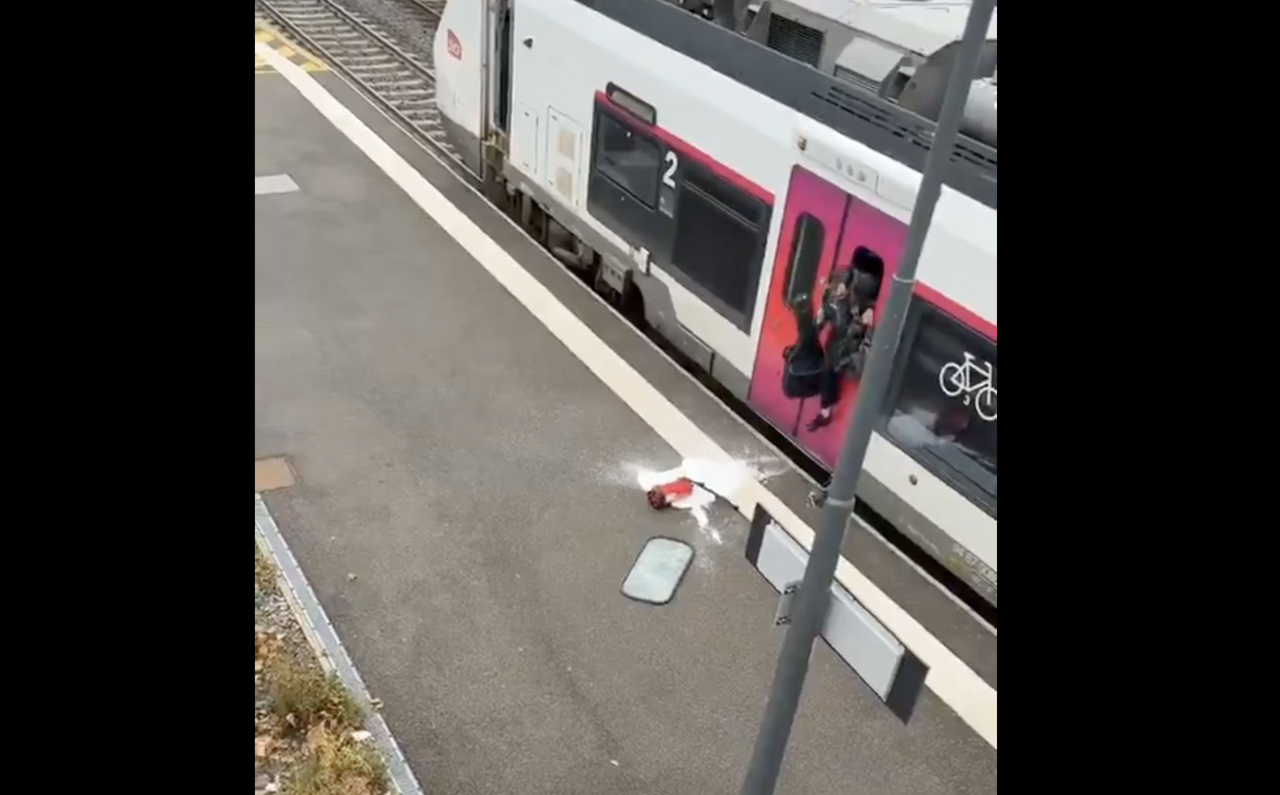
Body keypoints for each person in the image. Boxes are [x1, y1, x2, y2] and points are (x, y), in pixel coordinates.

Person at [806, 247, 883, 431]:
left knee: (832, 366)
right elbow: (831, 313)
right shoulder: (843, 280)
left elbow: (844, 320)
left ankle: (826, 409)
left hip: (848, 338)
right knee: (830, 366)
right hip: (843, 335)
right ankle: (825, 407)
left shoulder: (858, 291)